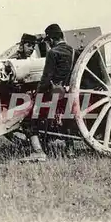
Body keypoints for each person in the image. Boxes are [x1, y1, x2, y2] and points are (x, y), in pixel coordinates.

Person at [20, 24, 78, 163]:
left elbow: (46, 78)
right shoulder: (73, 51)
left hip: (53, 93)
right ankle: (70, 149)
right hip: (68, 93)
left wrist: (37, 95)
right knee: (66, 118)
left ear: (51, 39)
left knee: (28, 119)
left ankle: (38, 152)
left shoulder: (53, 53)